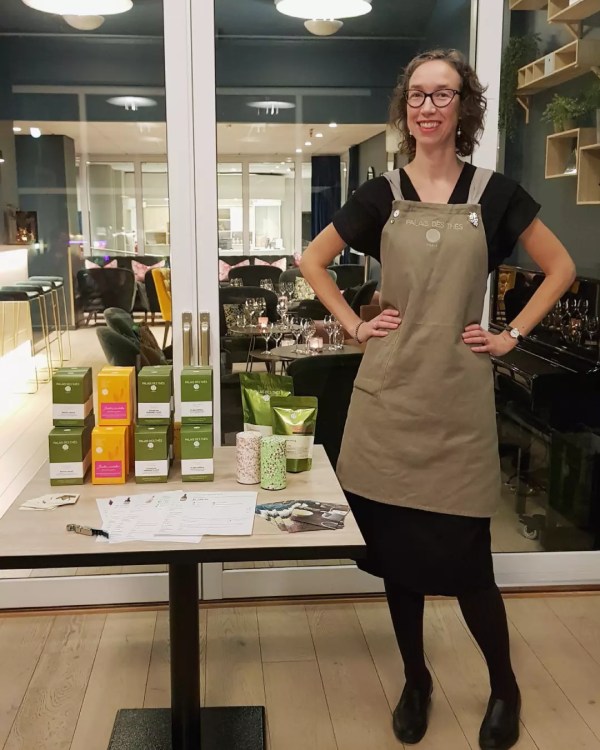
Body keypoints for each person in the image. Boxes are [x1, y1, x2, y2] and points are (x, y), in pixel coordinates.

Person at [300, 49, 575, 750]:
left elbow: (561, 267)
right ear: (405, 107)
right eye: (418, 95)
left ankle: (505, 686)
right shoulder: (381, 193)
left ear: (464, 107)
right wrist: (355, 324)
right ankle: (416, 678)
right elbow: (312, 260)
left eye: (442, 94)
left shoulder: (495, 193)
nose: (428, 107)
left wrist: (510, 335)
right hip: (389, 400)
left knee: (469, 563)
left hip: (456, 402)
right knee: (398, 562)